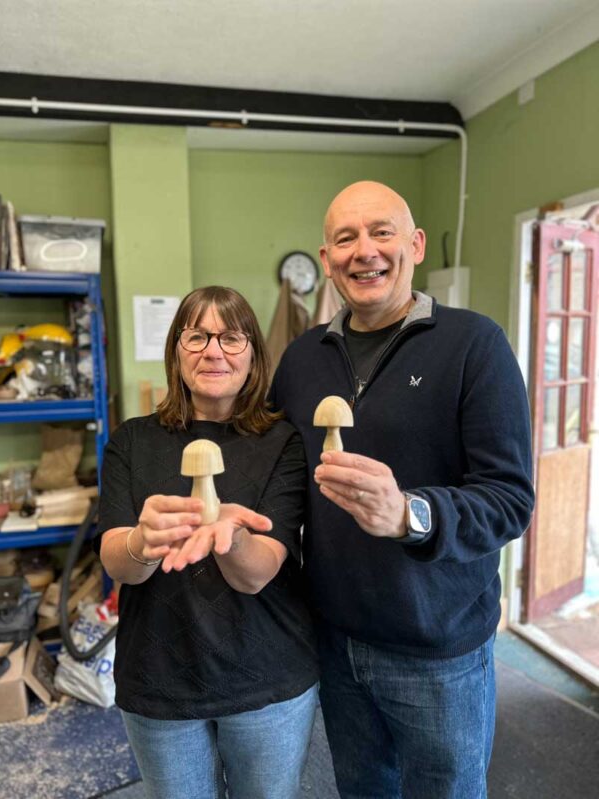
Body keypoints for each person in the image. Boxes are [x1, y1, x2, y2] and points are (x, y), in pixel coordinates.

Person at [270, 181, 535, 799]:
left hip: (436, 651)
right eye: (345, 238)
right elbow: (276, 473)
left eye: (381, 231)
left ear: (414, 245)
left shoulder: (475, 345)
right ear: (328, 258)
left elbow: (509, 499)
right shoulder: (302, 358)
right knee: (361, 790)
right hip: (334, 639)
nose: (365, 251)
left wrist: (411, 514)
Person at [96, 286, 319, 799]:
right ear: (177, 349)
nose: (213, 350)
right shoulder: (131, 440)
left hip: (267, 679)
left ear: (253, 355)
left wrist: (230, 539)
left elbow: (257, 572)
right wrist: (143, 541)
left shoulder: (283, 441)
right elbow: (119, 564)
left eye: (231, 337)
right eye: (197, 336)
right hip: (158, 680)